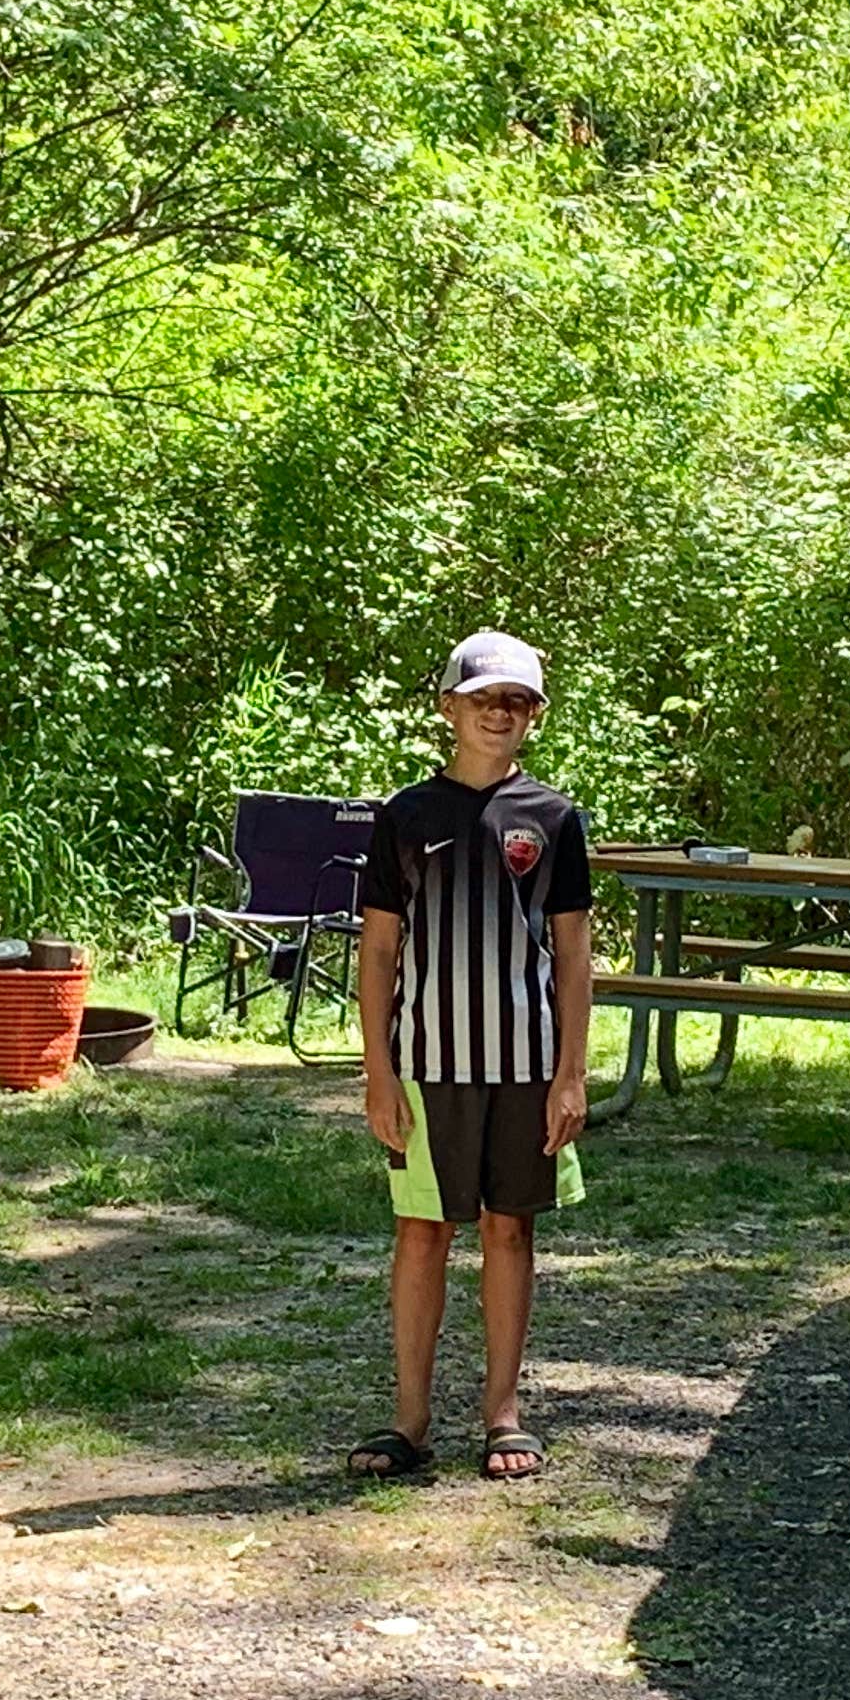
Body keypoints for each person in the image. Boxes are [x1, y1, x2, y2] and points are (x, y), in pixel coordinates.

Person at [345, 629, 594, 1482]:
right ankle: (409, 1420)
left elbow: (571, 951)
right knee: (421, 1232)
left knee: (509, 1229)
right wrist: (379, 1073)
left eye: (518, 702)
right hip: (426, 1064)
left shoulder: (555, 818)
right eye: (485, 698)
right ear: (450, 708)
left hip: (525, 1065)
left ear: (535, 717)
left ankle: (502, 1413)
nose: (501, 713)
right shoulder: (405, 817)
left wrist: (570, 1072)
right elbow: (378, 952)